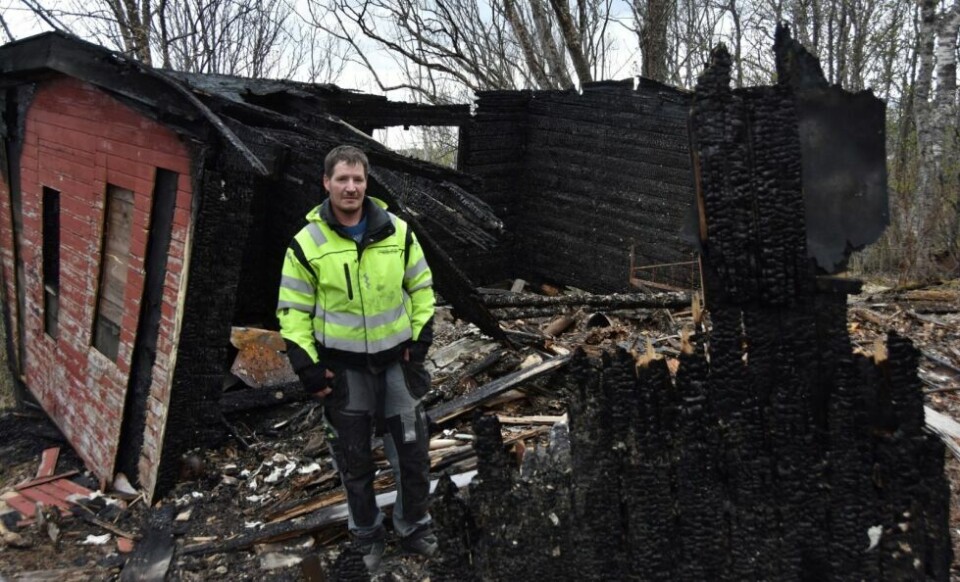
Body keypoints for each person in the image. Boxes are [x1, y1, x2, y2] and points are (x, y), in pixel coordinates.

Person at [277, 145, 437, 571]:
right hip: (344, 372)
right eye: (342, 179)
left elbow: (422, 289)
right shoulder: (305, 244)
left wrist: (419, 340)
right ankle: (366, 536)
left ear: (367, 183)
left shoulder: (398, 233)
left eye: (358, 179)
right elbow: (293, 313)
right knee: (355, 461)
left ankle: (414, 526)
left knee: (412, 453)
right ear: (326, 183)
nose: (351, 187)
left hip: (397, 365)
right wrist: (307, 367)